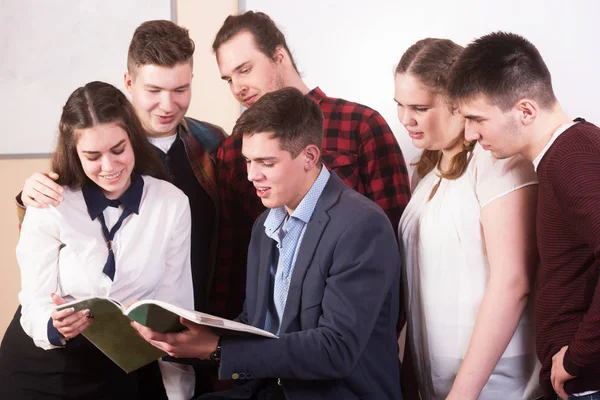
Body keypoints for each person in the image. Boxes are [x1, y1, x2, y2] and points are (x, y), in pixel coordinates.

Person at [133, 87, 403, 400]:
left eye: (266, 163)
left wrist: (218, 348)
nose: (251, 175)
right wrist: (180, 339)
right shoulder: (265, 225)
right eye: (248, 161)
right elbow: (256, 324)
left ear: (310, 156)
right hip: (269, 390)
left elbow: (335, 350)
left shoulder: (362, 226)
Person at [15, 20, 225, 394]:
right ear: (129, 84)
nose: (168, 104)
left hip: (162, 340)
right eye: (154, 89)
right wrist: (28, 196)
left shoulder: (212, 145)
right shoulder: (98, 137)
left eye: (181, 88)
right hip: (66, 355)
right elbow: (41, 264)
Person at [209, 11, 411, 332]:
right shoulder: (234, 151)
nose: (238, 87)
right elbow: (233, 259)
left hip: (351, 336)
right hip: (268, 347)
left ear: (279, 56)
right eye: (228, 79)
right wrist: (225, 354)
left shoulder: (359, 125)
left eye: (245, 70)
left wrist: (379, 340)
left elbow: (397, 246)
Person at [0, 81, 194, 399]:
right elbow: (34, 304)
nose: (108, 167)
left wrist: (178, 390)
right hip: (43, 366)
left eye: (118, 150)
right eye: (92, 156)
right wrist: (54, 325)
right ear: (74, 153)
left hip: (124, 363)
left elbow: (176, 306)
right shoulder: (49, 203)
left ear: (133, 139)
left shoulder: (171, 204)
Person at [448, 31, 600, 400]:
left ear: (526, 111)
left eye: (476, 118)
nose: (469, 134)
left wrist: (578, 357)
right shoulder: (568, 153)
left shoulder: (572, 160)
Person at [395, 38, 541, 399]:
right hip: (437, 379)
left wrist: (463, 393)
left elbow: (513, 283)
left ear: (457, 103)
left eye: (418, 107)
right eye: (399, 104)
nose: (404, 119)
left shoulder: (497, 161)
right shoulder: (427, 175)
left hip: (495, 382)